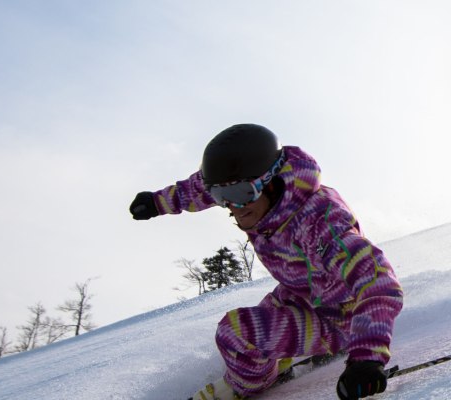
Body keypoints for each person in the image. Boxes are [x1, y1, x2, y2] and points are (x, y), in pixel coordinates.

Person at [129, 124, 403, 400]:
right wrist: (156, 203)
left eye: (241, 194)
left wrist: (367, 358)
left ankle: (245, 387)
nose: (234, 207)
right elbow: (198, 188)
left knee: (236, 333)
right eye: (222, 197)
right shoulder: (262, 201)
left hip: (341, 316)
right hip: (302, 295)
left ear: (272, 182)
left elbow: (377, 281)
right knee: (258, 328)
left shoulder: (318, 222)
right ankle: (279, 362)